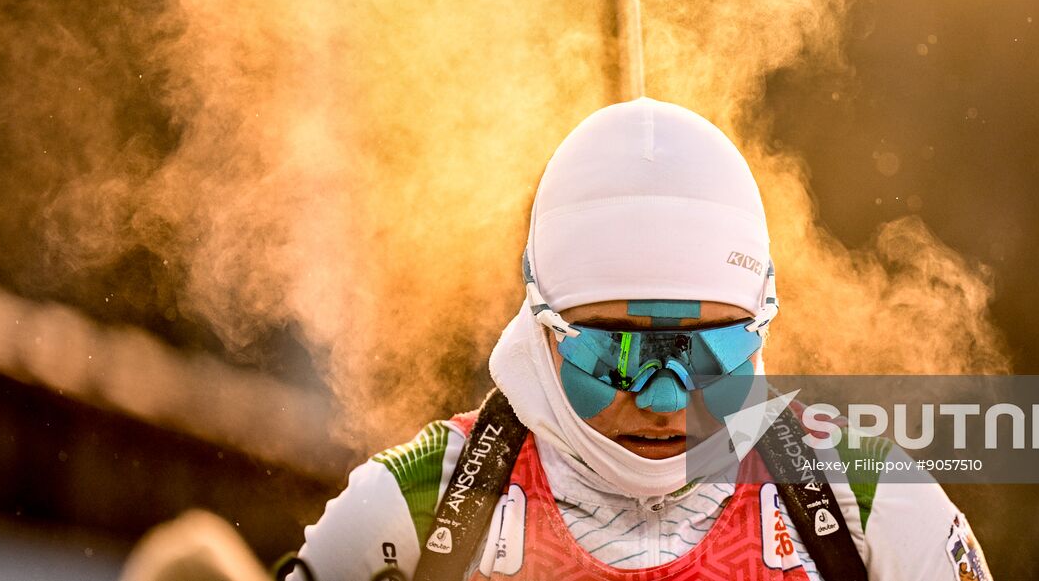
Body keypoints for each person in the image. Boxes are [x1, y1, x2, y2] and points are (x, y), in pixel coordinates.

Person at [288, 97, 993, 580]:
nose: (665, 400)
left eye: (710, 349)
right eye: (617, 352)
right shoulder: (419, 505)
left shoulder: (865, 500)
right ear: (543, 325)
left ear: (762, 321)